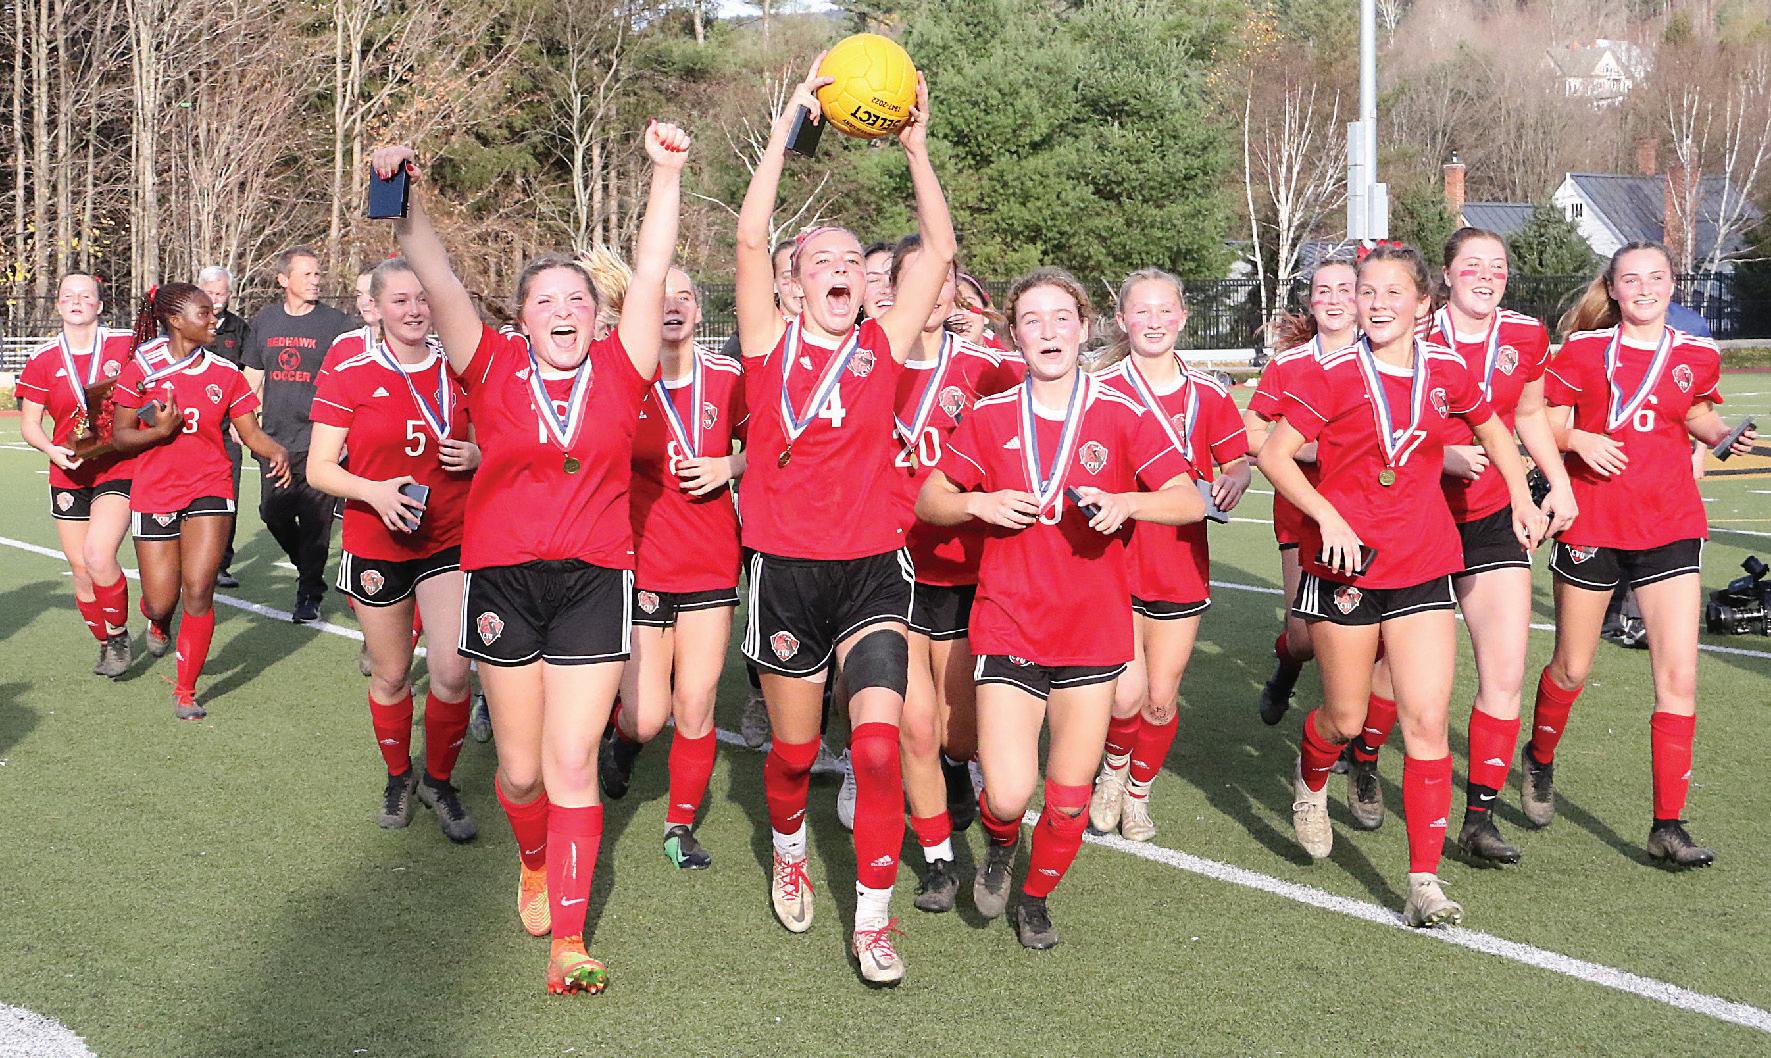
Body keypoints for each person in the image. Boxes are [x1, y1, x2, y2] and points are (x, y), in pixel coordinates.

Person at [374, 116, 688, 995]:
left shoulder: (622, 368)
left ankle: (570, 943)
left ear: (597, 316)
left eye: (575, 301)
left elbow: (652, 269)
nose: (561, 312)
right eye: (545, 301)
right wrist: (402, 194)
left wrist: (665, 174)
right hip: (502, 583)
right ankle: (536, 860)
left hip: (594, 581)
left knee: (571, 762)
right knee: (518, 773)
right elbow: (437, 277)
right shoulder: (490, 363)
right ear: (522, 317)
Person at [733, 60, 952, 986]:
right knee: (792, 753)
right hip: (784, 571)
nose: (839, 271)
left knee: (875, 744)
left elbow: (936, 251)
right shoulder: (765, 344)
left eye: (851, 264)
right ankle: (788, 847)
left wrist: (916, 148)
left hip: (870, 569)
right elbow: (749, 237)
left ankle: (872, 920)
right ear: (792, 286)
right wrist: (789, 124)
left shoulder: (881, 343)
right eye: (819, 262)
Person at [1257, 244, 1545, 929]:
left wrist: (1520, 496)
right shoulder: (1330, 374)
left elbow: (1494, 430)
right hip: (1345, 566)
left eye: (1393, 292)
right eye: (1368, 292)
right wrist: (1326, 514)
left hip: (1421, 561)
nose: (1378, 303)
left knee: (1424, 722)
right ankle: (1312, 778)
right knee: (1345, 719)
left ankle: (1423, 882)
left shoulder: (1447, 369)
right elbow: (1272, 453)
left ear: (1422, 304)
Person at [916, 267, 1204, 949]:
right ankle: (1000, 843)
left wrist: (1128, 503)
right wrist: (976, 503)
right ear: (1014, 335)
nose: (1048, 332)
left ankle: (1036, 898)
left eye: (1061, 318)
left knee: (1069, 796)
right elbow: (930, 499)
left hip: (1092, 629)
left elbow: (1189, 499)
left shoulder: (1122, 412)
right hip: (1009, 620)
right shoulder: (989, 415)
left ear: (1084, 328)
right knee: (1008, 793)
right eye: (1032, 321)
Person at [1342, 229, 1578, 865]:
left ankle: (1479, 819)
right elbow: (1372, 422)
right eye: (1472, 265)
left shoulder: (1526, 334)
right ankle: (1364, 757)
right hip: (1415, 519)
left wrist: (1552, 484)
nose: (1486, 275)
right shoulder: (1411, 328)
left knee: (1504, 669)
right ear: (1444, 277)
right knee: (1394, 672)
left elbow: (1526, 415)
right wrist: (1441, 454)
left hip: (1491, 515)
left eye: (1497, 266)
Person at [1530, 241, 1756, 867]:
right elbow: (1542, 421)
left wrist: (1723, 434)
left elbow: (1697, 413)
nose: (1645, 288)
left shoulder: (1697, 352)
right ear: (1613, 288)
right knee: (1572, 668)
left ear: (1673, 284)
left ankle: (1667, 825)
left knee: (1678, 677)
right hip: (1594, 521)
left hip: (1669, 523)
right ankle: (1539, 758)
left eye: (1656, 277)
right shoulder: (1583, 350)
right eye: (1632, 279)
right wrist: (1580, 440)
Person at [307, 258, 481, 844]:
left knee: (452, 672)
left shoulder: (460, 369)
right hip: (376, 542)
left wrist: (479, 455)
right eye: (400, 300)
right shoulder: (350, 373)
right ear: (376, 308)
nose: (414, 310)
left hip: (449, 537)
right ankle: (398, 775)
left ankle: (439, 781)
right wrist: (374, 492)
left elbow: (499, 439)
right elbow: (319, 468)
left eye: (422, 299)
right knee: (391, 673)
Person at [1087, 269, 1250, 841]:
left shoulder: (1208, 391)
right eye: (1141, 311)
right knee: (1125, 694)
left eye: (1164, 311)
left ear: (1182, 317)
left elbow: (1235, 459)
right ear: (1122, 320)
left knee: (1160, 700)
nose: (1153, 322)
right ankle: (1112, 774)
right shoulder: (1100, 388)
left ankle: (1139, 793)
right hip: (1114, 557)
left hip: (1180, 559)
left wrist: (1236, 477)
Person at [886, 234, 1020, 912]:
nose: (932, 291)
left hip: (969, 569)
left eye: (942, 277)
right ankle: (938, 860)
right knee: (913, 726)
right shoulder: (863, 363)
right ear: (892, 289)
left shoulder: (988, 366)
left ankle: (957, 770)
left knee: (958, 735)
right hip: (888, 567)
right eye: (917, 277)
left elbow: (1061, 398)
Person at [598, 265, 747, 870]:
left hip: (710, 561)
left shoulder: (729, 376)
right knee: (646, 717)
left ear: (699, 310)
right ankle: (622, 738)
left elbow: (770, 446)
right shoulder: (620, 376)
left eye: (685, 296)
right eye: (662, 296)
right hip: (642, 562)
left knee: (696, 700)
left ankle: (679, 825)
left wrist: (727, 467)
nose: (673, 306)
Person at [110, 284, 291, 719]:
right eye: (204, 313)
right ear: (176, 321)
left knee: (199, 588)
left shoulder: (226, 372)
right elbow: (120, 437)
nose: (214, 320)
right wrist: (159, 431)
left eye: (214, 313)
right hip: (155, 490)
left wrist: (276, 451)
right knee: (162, 599)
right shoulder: (141, 369)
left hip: (210, 486)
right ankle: (156, 619)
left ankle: (186, 691)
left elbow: (250, 433)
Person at [1244, 260, 1358, 725]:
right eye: (1323, 290)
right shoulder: (1289, 364)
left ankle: (1357, 740)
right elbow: (1251, 434)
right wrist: (1310, 451)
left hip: (1369, 511)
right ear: (1311, 301)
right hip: (1301, 510)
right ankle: (1287, 664)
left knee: (1369, 629)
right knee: (1304, 638)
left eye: (1345, 289)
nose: (1334, 299)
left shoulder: (1385, 358)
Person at [16, 273, 141, 676]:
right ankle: (104, 642)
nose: (76, 301)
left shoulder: (125, 345)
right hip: (68, 469)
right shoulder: (42, 359)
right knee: (81, 569)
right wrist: (51, 449)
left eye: (86, 296)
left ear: (99, 306)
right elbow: (30, 424)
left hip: (116, 466)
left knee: (98, 555)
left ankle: (119, 637)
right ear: (57, 304)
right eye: (68, 295)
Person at [243, 246, 354, 623]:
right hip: (274, 440)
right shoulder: (266, 320)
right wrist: (245, 423)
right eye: (306, 274)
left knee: (315, 522)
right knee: (272, 513)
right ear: (283, 279)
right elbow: (251, 378)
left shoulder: (337, 324)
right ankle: (306, 565)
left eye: (317, 274)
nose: (315, 280)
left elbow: (350, 380)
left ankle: (309, 593)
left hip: (320, 438)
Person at [196, 265, 249, 589]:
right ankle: (187, 558)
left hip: (227, 430)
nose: (216, 299)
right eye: (210, 293)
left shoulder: (240, 329)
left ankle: (219, 564)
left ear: (230, 294)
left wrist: (243, 422)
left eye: (221, 293)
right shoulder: (185, 326)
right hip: (190, 429)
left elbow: (249, 377)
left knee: (228, 498)